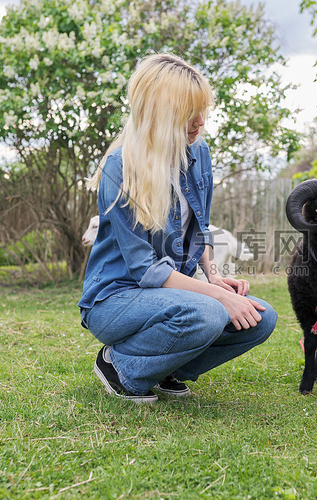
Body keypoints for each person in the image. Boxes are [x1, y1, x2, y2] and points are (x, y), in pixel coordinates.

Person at [78, 54, 277, 403]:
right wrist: (217, 296)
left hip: (171, 295)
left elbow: (200, 230)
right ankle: (120, 366)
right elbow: (145, 269)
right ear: (158, 113)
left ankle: (167, 367)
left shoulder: (198, 153)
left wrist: (214, 277)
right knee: (210, 311)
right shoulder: (120, 167)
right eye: (188, 112)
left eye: (202, 109)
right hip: (115, 300)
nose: (200, 121)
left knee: (262, 317)